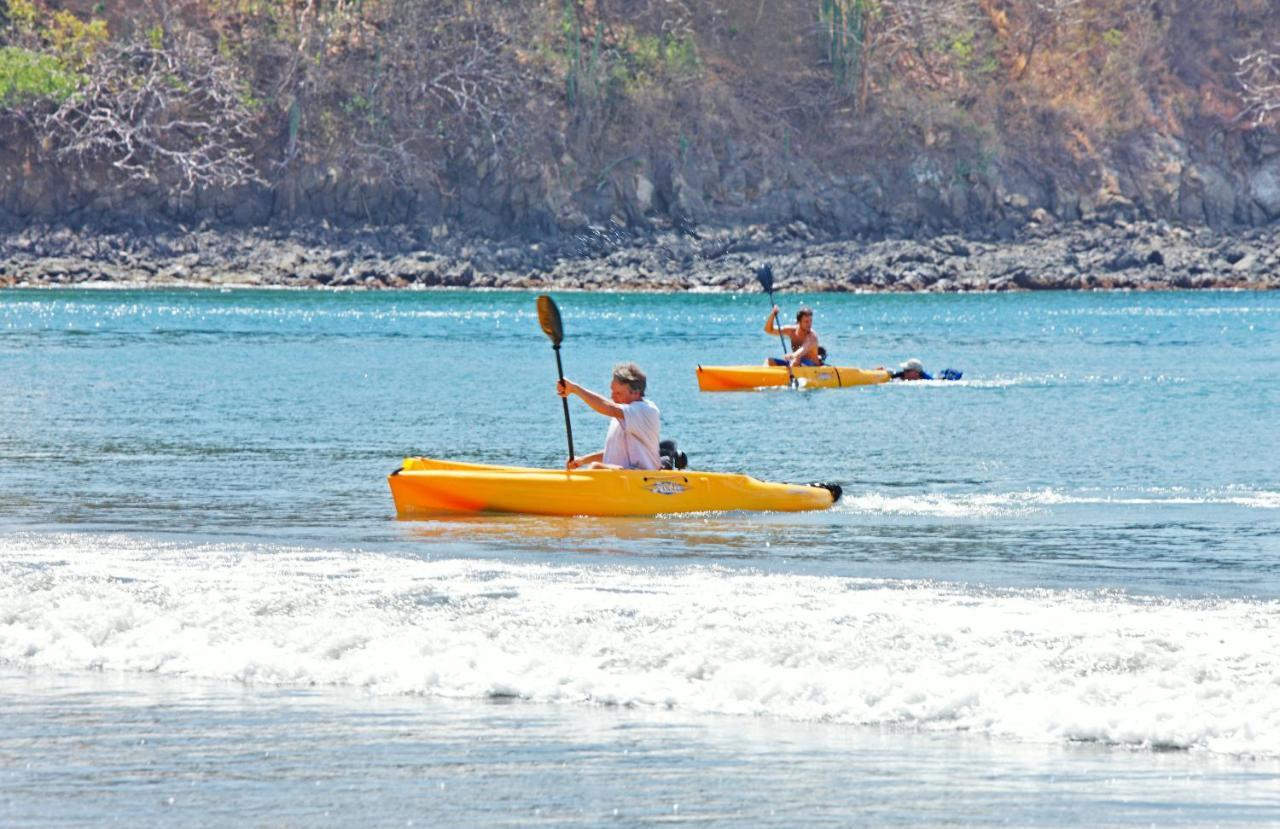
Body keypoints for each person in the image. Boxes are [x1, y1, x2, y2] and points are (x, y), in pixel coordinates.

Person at [556, 362, 660, 470]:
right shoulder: (622, 415)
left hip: (644, 478)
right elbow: (612, 454)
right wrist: (583, 460)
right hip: (624, 476)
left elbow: (608, 407)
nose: (612, 397)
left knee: (596, 468)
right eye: (612, 391)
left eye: (618, 393)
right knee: (592, 467)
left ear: (636, 393)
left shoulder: (646, 410)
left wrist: (574, 389)